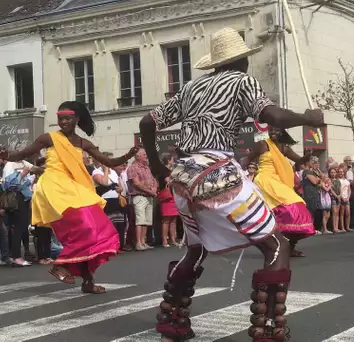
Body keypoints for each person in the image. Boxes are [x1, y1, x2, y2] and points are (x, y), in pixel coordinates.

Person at [137, 27, 324, 342]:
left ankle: (173, 324)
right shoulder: (242, 81)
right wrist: (307, 118)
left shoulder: (190, 87)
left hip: (182, 177)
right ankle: (268, 330)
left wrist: (158, 167)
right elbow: (272, 115)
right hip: (218, 175)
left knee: (194, 250)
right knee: (275, 245)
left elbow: (146, 122)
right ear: (242, 61)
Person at [0, 101, 137, 293]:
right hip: (54, 187)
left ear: (76, 119)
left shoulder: (83, 143)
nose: (63, 122)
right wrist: (7, 155)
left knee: (93, 231)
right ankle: (60, 265)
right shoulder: (49, 138)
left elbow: (109, 161)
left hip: (75, 188)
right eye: (60, 119)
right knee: (86, 229)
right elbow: (23, 153)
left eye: (67, 119)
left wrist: (128, 155)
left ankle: (88, 281)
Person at [243, 127, 315, 257]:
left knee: (298, 205)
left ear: (281, 132)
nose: (273, 133)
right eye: (271, 130)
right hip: (265, 180)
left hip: (278, 181)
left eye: (276, 130)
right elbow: (247, 159)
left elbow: (299, 161)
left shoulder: (284, 148)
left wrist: (308, 155)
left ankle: (291, 246)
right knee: (285, 209)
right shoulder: (262, 144)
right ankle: (276, 244)